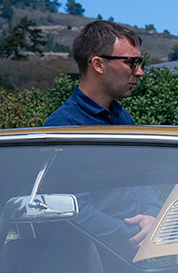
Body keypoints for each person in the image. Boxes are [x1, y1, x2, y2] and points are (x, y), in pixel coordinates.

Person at [44, 20, 160, 252]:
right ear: (98, 64)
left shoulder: (121, 116)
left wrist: (152, 215)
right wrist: (128, 232)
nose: (140, 71)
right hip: (95, 259)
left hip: (134, 252)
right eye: (132, 62)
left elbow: (140, 179)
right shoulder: (65, 125)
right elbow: (69, 205)